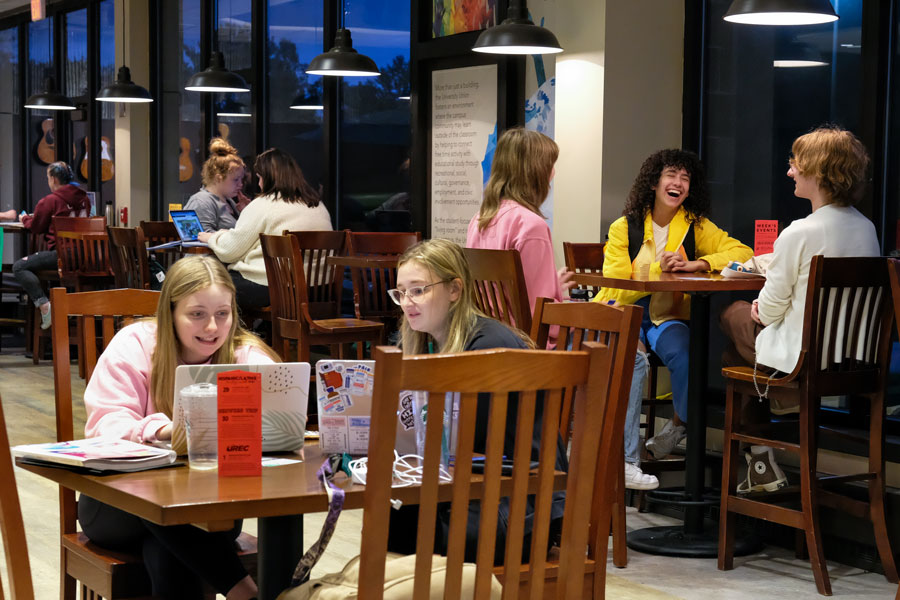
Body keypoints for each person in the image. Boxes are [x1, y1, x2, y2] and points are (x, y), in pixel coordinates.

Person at [78, 255, 279, 599]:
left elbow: (277, 407)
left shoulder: (243, 355)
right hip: (117, 505)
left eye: (223, 314)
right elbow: (105, 425)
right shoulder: (135, 344)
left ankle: (243, 592)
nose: (213, 328)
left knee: (168, 547)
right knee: (165, 514)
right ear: (169, 313)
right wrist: (163, 430)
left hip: (210, 508)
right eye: (197, 314)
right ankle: (243, 590)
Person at [719, 126, 879, 493]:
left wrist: (759, 305)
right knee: (738, 357)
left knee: (731, 317)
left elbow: (770, 313)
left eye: (796, 164)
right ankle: (760, 456)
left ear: (819, 172)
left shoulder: (799, 232)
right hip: (850, 358)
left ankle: (766, 439)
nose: (790, 171)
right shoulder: (867, 228)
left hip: (802, 361)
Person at [388, 238, 565, 564]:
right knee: (392, 518)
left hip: (517, 506)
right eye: (400, 293)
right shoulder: (433, 342)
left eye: (418, 290)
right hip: (478, 491)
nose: (407, 302)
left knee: (397, 525)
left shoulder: (486, 346)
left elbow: (466, 439)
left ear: (455, 290)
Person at [595, 149, 753, 489]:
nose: (678, 183)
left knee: (685, 354)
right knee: (632, 360)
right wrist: (657, 268)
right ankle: (626, 461)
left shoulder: (695, 225)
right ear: (654, 182)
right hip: (627, 312)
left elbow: (743, 253)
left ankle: (680, 425)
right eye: (671, 175)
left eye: (685, 178)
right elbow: (616, 280)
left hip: (667, 314)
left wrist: (699, 263)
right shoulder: (624, 227)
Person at [197, 148, 333, 314]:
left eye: (260, 178)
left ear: (267, 178)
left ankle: (234, 337)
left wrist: (213, 237)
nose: (259, 184)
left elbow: (229, 251)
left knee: (209, 283)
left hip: (278, 290)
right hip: (320, 289)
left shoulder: (263, 204)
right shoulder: (318, 204)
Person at [466, 127, 574, 322]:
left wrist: (553, 286)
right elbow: (539, 316)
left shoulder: (478, 220)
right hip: (528, 344)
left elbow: (509, 298)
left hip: (492, 335)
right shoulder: (531, 226)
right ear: (535, 171)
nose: (553, 173)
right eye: (550, 165)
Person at [0, 162, 90, 330]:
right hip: (85, 257)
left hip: (62, 257)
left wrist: (24, 219)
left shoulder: (51, 200)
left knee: (19, 266)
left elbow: (36, 227)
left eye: (48, 178)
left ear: (54, 179)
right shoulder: (84, 198)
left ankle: (45, 306)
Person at [184, 138, 247, 232]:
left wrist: (245, 213)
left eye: (241, 179)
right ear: (218, 178)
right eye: (236, 179)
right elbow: (200, 238)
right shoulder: (201, 201)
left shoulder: (230, 201)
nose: (240, 184)